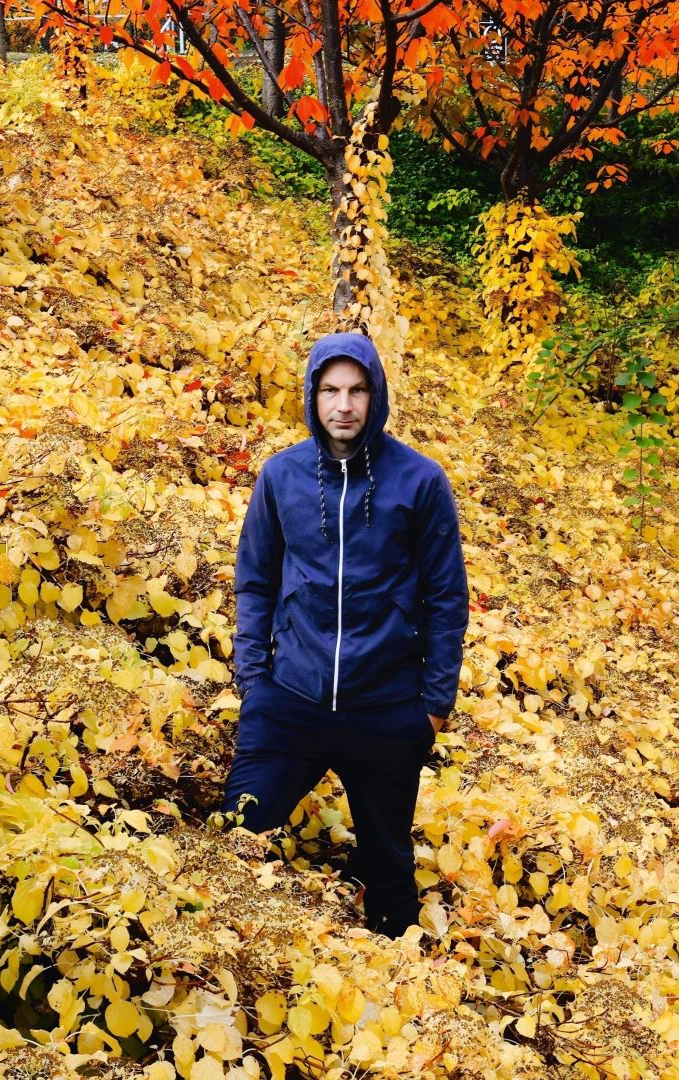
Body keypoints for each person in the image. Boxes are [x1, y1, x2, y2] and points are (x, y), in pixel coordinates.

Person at [225, 331, 469, 936]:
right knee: (233, 837)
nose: (344, 405)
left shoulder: (419, 482)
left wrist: (433, 707)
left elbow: (446, 597)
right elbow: (254, 581)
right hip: (290, 702)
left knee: (388, 877)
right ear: (312, 395)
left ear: (375, 395)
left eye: (357, 390)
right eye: (330, 390)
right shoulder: (281, 477)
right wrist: (254, 682)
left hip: (385, 709)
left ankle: (404, 999)